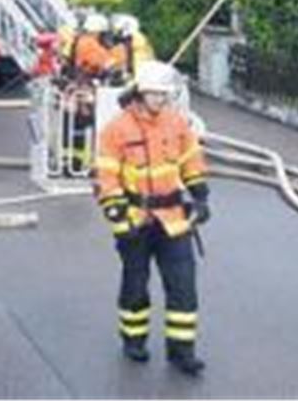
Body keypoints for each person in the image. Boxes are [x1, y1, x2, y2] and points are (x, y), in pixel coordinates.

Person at [94, 61, 211, 375]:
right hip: (136, 219)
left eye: (165, 95)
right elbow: (106, 175)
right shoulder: (117, 129)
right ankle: (134, 339)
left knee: (183, 285)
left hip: (173, 218)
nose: (162, 100)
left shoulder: (176, 123)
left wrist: (200, 195)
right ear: (141, 92)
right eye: (157, 94)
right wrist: (117, 213)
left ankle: (182, 351)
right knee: (135, 284)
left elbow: (191, 160)